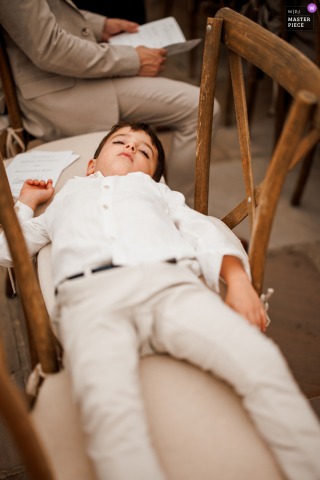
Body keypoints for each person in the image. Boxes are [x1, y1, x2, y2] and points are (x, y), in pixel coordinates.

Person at [1, 121, 320, 480]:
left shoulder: (156, 194)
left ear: (154, 177)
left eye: (145, 151)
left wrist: (237, 281)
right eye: (120, 141)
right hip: (90, 300)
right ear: (91, 166)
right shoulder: (65, 199)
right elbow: (7, 248)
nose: (131, 148)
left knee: (260, 361)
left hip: (169, 286)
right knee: (109, 413)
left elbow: (205, 229)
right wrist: (27, 203)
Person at [0, 0, 220, 206]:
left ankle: (177, 207)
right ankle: (182, 208)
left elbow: (48, 12)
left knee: (201, 108)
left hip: (77, 74)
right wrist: (133, 60)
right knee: (200, 109)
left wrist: (101, 25)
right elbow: (49, 47)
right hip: (60, 89)